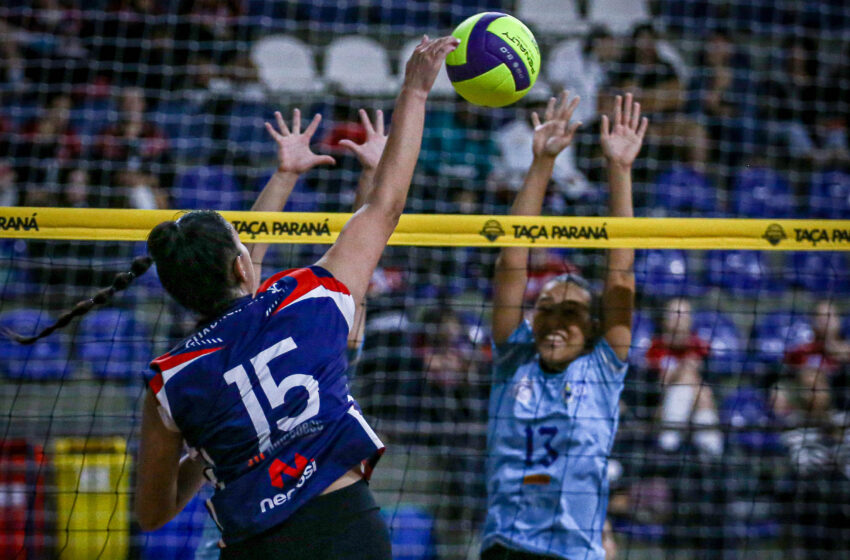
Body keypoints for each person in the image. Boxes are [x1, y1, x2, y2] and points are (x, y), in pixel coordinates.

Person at [2, 35, 460, 559]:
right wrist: (415, 93)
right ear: (243, 265)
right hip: (348, 528)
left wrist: (208, 447)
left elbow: (151, 515)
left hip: (255, 544)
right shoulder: (307, 298)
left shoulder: (170, 380)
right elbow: (386, 207)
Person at [482, 92, 647, 560]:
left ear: (593, 327)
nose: (555, 322)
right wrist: (542, 161)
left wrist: (619, 168)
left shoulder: (603, 366)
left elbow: (621, 271)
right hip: (507, 546)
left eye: (571, 313)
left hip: (575, 552)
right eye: (547, 309)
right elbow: (513, 259)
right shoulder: (515, 357)